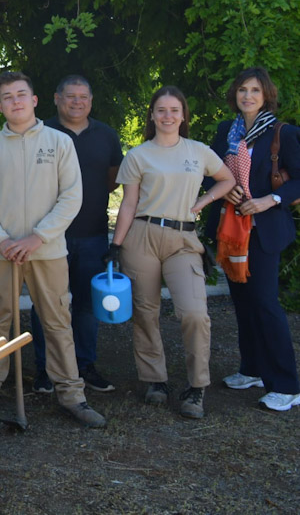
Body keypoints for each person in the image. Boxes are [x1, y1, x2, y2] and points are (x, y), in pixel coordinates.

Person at [0, 71, 106, 428]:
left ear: (35, 99)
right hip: (1, 254)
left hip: (47, 251)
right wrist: (1, 240)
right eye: (8, 97)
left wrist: (36, 238)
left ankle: (72, 394)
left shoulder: (58, 143)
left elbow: (72, 195)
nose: (16, 101)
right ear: (0, 105)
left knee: (58, 321)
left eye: (21, 94)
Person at [110, 86, 235, 419]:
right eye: (161, 110)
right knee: (145, 311)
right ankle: (155, 381)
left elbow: (227, 179)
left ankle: (196, 388)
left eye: (174, 110)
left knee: (195, 313)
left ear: (183, 115)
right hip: (142, 236)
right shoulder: (138, 154)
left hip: (183, 240)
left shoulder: (199, 151)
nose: (167, 116)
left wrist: (204, 202)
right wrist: (116, 245)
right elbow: (129, 203)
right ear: (152, 115)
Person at [205, 68, 300, 411]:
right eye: (243, 90)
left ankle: (287, 385)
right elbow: (209, 173)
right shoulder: (224, 131)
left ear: (266, 96)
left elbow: (297, 181)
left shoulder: (282, 133)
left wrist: (268, 200)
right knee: (243, 303)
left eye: (255, 91)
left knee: (264, 303)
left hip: (263, 231)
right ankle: (253, 369)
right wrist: (223, 192)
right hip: (231, 230)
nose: (248, 96)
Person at [30, 76, 123, 394]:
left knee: (86, 304)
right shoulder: (42, 134)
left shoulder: (106, 135)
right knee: (46, 304)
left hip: (92, 233)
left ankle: (85, 365)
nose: (77, 102)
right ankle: (45, 369)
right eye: (70, 96)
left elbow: (113, 180)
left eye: (83, 97)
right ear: (56, 99)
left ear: (91, 101)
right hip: (48, 234)